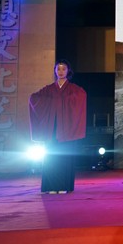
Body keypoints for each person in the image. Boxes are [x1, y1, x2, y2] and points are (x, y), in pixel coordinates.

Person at [29, 59, 87, 194]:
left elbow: (81, 96)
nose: (61, 71)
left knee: (64, 158)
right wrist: (51, 103)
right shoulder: (49, 89)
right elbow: (34, 98)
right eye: (58, 69)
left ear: (68, 71)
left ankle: (63, 186)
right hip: (52, 129)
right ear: (55, 71)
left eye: (64, 69)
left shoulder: (74, 89)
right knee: (51, 158)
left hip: (66, 130)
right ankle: (50, 186)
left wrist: (62, 102)